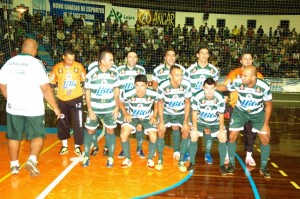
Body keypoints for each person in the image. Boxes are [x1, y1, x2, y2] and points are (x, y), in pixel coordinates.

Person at [0, 38, 61, 176]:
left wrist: (10, 99)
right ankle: (32, 160)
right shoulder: (36, 64)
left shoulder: (9, 63)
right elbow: (45, 88)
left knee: (14, 136)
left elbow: (2, 85)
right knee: (38, 135)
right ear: (34, 49)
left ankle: (14, 165)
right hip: (33, 108)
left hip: (14, 107)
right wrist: (55, 107)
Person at [221, 65, 272, 178]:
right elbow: (225, 88)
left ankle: (263, 167)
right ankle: (232, 164)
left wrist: (266, 124)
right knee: (232, 136)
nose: (242, 77)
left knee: (265, 139)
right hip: (240, 112)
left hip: (257, 113)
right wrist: (211, 87)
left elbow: (268, 105)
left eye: (245, 76)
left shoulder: (264, 86)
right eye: (242, 75)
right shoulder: (239, 82)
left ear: (253, 77)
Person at [222, 52, 264, 166]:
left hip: (251, 109)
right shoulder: (234, 73)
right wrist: (226, 106)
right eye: (245, 59)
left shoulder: (258, 75)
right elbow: (226, 87)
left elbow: (262, 92)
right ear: (241, 61)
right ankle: (227, 153)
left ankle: (249, 156)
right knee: (232, 132)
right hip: (235, 107)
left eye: (250, 59)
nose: (247, 61)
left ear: (252, 61)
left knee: (250, 133)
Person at [83, 49, 119, 168]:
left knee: (110, 131)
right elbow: (87, 92)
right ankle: (86, 156)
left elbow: (116, 90)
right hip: (95, 110)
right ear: (102, 61)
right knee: (90, 131)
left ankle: (110, 158)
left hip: (110, 109)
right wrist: (90, 109)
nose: (112, 62)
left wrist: (116, 107)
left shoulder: (114, 73)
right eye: (110, 60)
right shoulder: (92, 74)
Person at [185, 45, 219, 164]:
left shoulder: (213, 70)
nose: (204, 55)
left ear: (209, 55)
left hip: (208, 106)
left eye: (206, 53)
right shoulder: (190, 70)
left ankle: (208, 153)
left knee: (207, 130)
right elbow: (186, 86)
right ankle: (188, 152)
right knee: (191, 129)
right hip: (194, 105)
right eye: (202, 53)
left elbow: (215, 87)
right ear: (197, 55)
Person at [49, 49, 86, 156]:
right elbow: (51, 85)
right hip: (62, 100)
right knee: (62, 122)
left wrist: (85, 94)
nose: (71, 61)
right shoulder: (57, 67)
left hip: (77, 99)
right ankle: (64, 146)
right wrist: (52, 101)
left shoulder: (79, 66)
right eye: (69, 59)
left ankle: (77, 147)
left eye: (73, 59)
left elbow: (84, 82)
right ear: (63, 57)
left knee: (78, 123)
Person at [152, 49, 187, 161]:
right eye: (169, 55)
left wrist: (174, 93)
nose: (171, 57)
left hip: (177, 104)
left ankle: (176, 150)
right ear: (164, 57)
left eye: (173, 55)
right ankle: (156, 151)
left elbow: (183, 85)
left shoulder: (181, 69)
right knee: (160, 128)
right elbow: (154, 84)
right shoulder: (158, 70)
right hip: (163, 101)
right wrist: (166, 93)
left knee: (176, 126)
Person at [119, 74, 158, 169]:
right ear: (134, 84)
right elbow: (120, 101)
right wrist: (125, 113)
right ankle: (128, 159)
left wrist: (154, 115)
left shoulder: (153, 93)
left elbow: (157, 103)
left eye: (142, 85)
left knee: (154, 137)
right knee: (123, 135)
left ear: (147, 85)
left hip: (147, 117)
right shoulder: (128, 93)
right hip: (133, 116)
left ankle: (150, 159)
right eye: (137, 85)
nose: (139, 88)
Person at [157, 65, 191, 172]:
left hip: (181, 112)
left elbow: (187, 103)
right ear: (170, 76)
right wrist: (161, 122)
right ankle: (160, 159)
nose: (180, 77)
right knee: (161, 131)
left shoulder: (186, 85)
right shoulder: (163, 85)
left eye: (181, 75)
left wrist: (185, 122)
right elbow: (160, 103)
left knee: (186, 131)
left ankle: (181, 161)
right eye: (177, 75)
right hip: (167, 112)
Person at [189, 78, 227, 174]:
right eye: (207, 88)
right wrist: (195, 128)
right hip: (201, 121)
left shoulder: (220, 97)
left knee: (222, 137)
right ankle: (192, 163)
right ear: (203, 88)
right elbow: (194, 112)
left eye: (211, 88)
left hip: (215, 123)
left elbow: (221, 114)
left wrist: (222, 129)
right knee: (193, 135)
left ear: (215, 88)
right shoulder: (197, 96)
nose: (209, 91)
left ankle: (222, 165)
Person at [116, 51, 147, 159]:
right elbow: (116, 88)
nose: (132, 59)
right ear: (126, 58)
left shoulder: (141, 70)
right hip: (123, 103)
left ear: (137, 59)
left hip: (136, 103)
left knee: (139, 125)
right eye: (130, 57)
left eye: (134, 57)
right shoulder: (119, 70)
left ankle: (139, 148)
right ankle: (124, 149)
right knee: (124, 126)